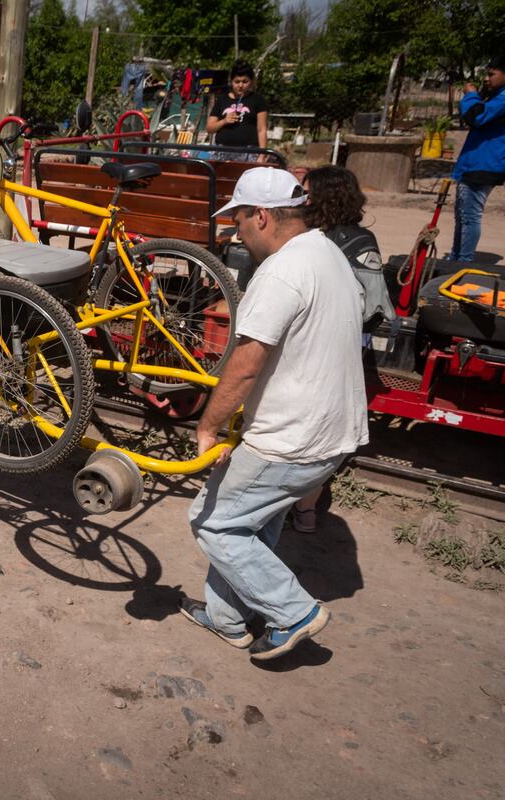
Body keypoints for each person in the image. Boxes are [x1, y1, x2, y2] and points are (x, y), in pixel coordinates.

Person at [182, 167, 368, 661]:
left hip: (292, 438)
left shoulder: (281, 270)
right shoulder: (328, 253)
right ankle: (228, 620)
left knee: (212, 522)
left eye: (239, 220)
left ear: (261, 215)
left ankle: (295, 613)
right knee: (250, 523)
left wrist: (208, 426)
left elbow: (245, 364)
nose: (235, 231)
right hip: (333, 433)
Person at [289, 165, 395, 533]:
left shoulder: (301, 236)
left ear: (320, 197)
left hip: (303, 351)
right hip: (338, 352)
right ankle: (305, 510)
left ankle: (286, 507)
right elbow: (374, 311)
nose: (300, 197)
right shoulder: (362, 242)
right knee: (319, 435)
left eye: (305, 191)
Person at [447, 54, 505, 263]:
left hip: (483, 166)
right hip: (475, 164)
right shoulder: (496, 96)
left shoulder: (503, 98)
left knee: (470, 217)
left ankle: (463, 261)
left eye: (491, 74)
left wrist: (471, 95)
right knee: (462, 217)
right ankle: (456, 258)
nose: (487, 79)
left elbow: (476, 117)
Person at [205, 61, 268, 161]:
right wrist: (224, 121)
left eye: (245, 81)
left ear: (251, 82)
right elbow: (209, 128)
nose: (240, 85)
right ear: (231, 81)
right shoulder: (222, 100)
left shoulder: (258, 100)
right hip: (222, 152)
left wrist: (262, 156)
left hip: (249, 153)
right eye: (237, 82)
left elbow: (262, 130)